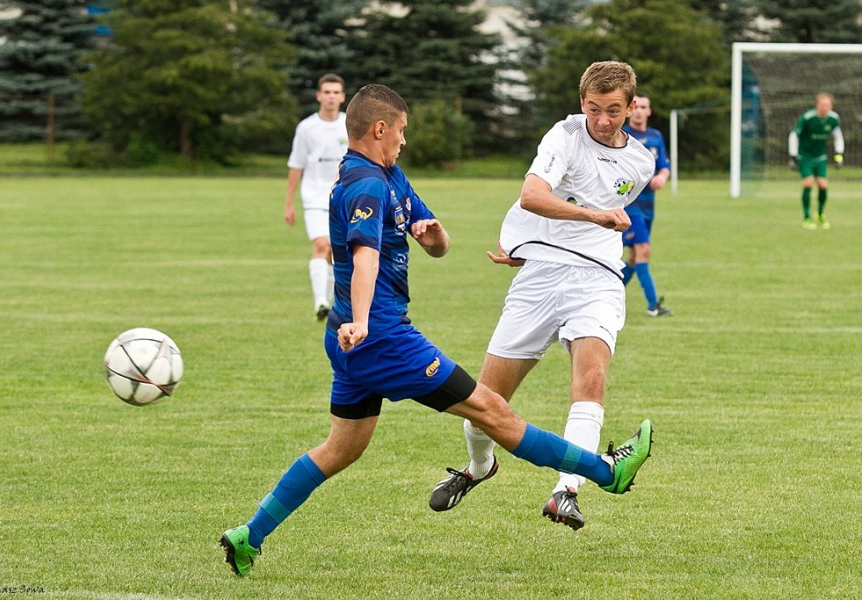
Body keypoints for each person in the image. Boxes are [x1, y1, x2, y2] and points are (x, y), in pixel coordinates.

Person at [220, 83, 654, 577]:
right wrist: (363, 321)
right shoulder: (364, 184)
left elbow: (435, 241)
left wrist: (435, 236)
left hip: (353, 342)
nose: (404, 140)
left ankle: (248, 536)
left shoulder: (388, 176)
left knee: (341, 449)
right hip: (379, 337)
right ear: (381, 129)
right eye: (401, 130)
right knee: (494, 411)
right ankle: (607, 473)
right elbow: (364, 259)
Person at [429, 61, 656, 532]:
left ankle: (566, 491)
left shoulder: (641, 163)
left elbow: (583, 208)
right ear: (581, 103)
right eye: (593, 109)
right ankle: (478, 467)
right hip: (540, 279)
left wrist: (559, 234)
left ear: (631, 107)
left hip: (596, 278)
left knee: (590, 381)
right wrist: (549, 239)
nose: (602, 120)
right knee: (484, 405)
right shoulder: (564, 135)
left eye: (613, 110)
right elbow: (533, 196)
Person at [284, 73, 349, 320]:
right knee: (321, 245)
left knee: (336, 251)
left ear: (342, 97)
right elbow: (296, 165)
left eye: (336, 92)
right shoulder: (306, 127)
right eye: (327, 92)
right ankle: (320, 301)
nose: (331, 97)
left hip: (342, 198)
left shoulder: (349, 125)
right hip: (313, 198)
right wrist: (289, 203)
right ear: (319, 96)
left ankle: (332, 302)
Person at [621, 93, 672, 317]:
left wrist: (662, 176)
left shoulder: (655, 136)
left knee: (633, 258)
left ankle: (606, 296)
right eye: (637, 106)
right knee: (644, 250)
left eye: (644, 107)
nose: (640, 110)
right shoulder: (622, 135)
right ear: (630, 109)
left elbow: (664, 166)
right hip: (629, 205)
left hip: (649, 206)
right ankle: (653, 305)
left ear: (649, 111)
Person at [788, 92, 844, 230]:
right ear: (817, 105)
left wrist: (839, 154)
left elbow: (838, 136)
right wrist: (793, 156)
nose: (825, 107)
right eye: (822, 104)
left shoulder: (833, 118)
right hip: (805, 156)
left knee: (823, 185)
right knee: (808, 183)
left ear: (831, 106)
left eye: (827, 105)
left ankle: (820, 214)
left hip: (820, 156)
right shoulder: (808, 118)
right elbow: (794, 135)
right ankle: (807, 218)